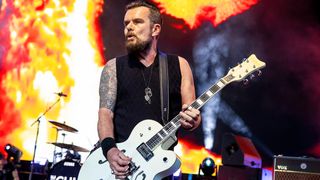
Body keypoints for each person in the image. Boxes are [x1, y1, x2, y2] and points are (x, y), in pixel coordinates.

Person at [97, 1, 201, 179]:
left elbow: (192, 117)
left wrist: (193, 120)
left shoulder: (179, 65)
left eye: (137, 22)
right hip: (119, 167)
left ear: (155, 30)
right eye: (126, 23)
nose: (129, 27)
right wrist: (110, 150)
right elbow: (105, 114)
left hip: (159, 168)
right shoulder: (113, 67)